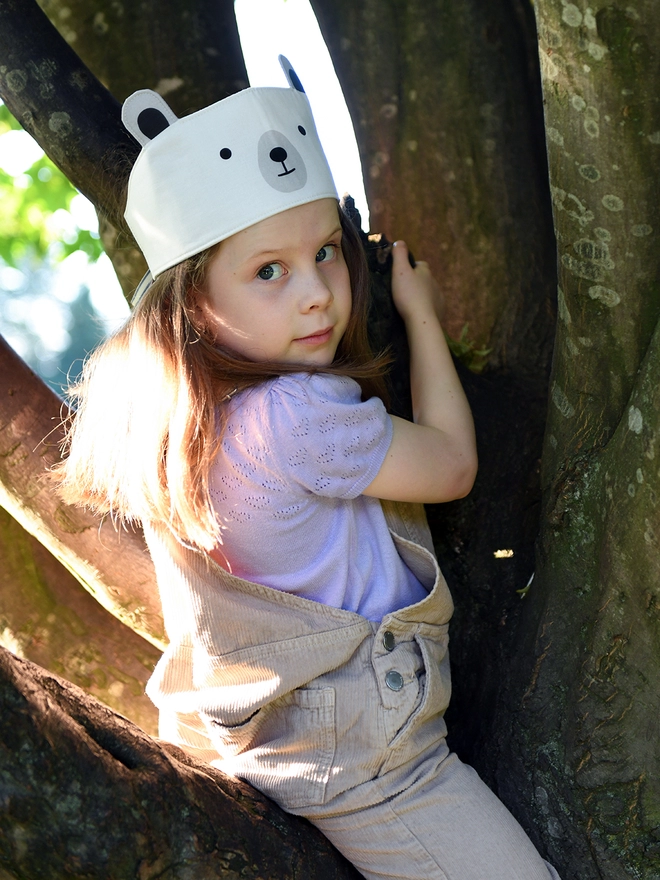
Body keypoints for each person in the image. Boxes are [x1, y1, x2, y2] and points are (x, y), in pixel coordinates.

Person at [56, 56, 560, 880]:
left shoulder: (180, 424)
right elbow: (451, 463)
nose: (318, 294)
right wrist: (422, 318)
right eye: (269, 272)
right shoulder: (294, 418)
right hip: (375, 762)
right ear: (193, 302)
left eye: (327, 252)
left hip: (262, 733)